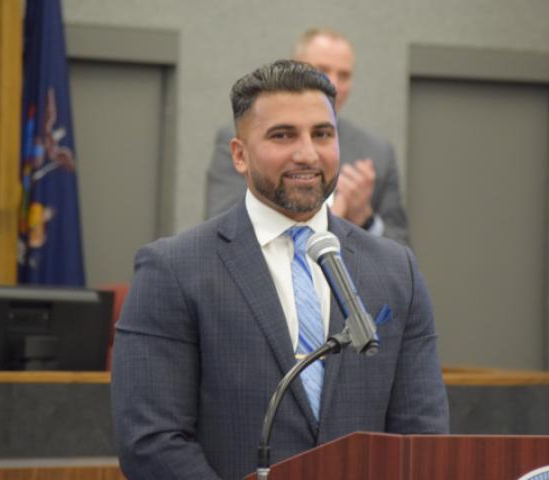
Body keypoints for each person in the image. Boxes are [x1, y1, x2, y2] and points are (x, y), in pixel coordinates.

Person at [112, 60, 448, 480]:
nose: (307, 153)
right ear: (239, 155)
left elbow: (423, 438)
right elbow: (150, 442)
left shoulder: (397, 271)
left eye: (322, 134)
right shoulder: (174, 270)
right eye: (282, 135)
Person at [204, 28, 410, 245]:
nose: (334, 84)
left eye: (344, 75)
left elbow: (401, 252)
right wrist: (328, 220)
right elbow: (222, 225)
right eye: (322, 70)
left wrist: (366, 219)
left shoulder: (376, 152)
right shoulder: (248, 137)